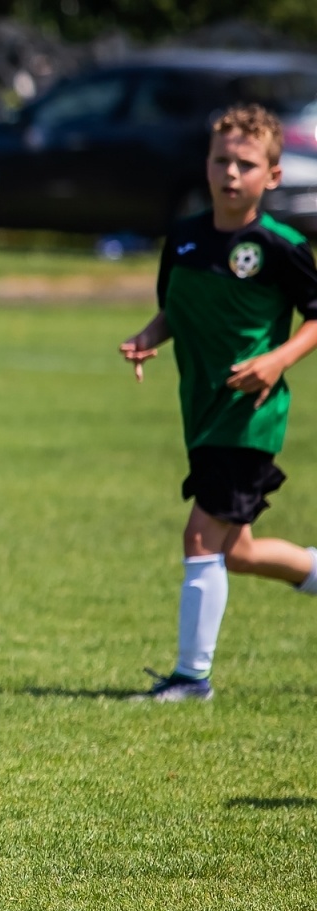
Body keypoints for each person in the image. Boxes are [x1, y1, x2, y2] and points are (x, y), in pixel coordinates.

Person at [121, 104, 317, 701]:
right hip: (202, 413)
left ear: (273, 176)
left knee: (201, 538)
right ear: (205, 166)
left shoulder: (280, 245)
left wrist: (278, 359)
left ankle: (191, 678)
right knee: (240, 552)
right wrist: (149, 338)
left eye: (246, 163)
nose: (232, 172)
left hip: (250, 416)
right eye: (221, 160)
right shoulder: (183, 240)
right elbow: (174, 308)